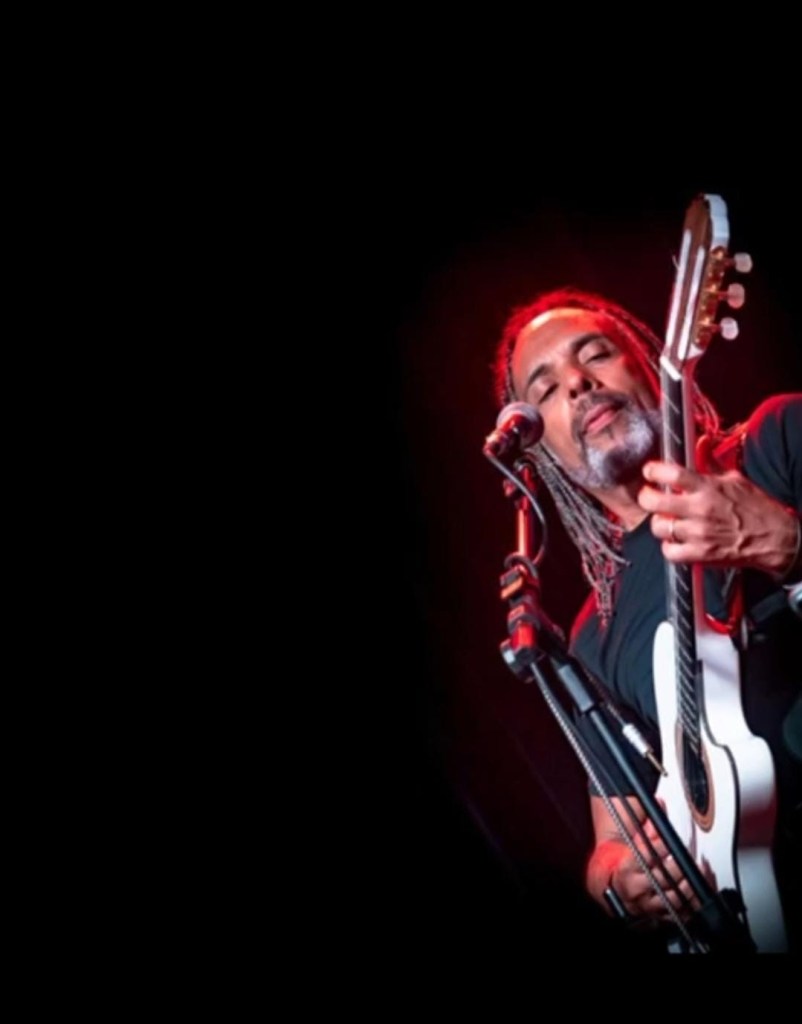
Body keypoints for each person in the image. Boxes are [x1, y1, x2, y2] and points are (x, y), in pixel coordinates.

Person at [492, 286, 802, 952]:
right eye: (545, 390)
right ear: (543, 455)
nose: (577, 383)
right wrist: (617, 881)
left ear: (651, 361)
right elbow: (612, 841)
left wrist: (789, 546)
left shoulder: (779, 441)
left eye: (596, 354)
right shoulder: (592, 638)